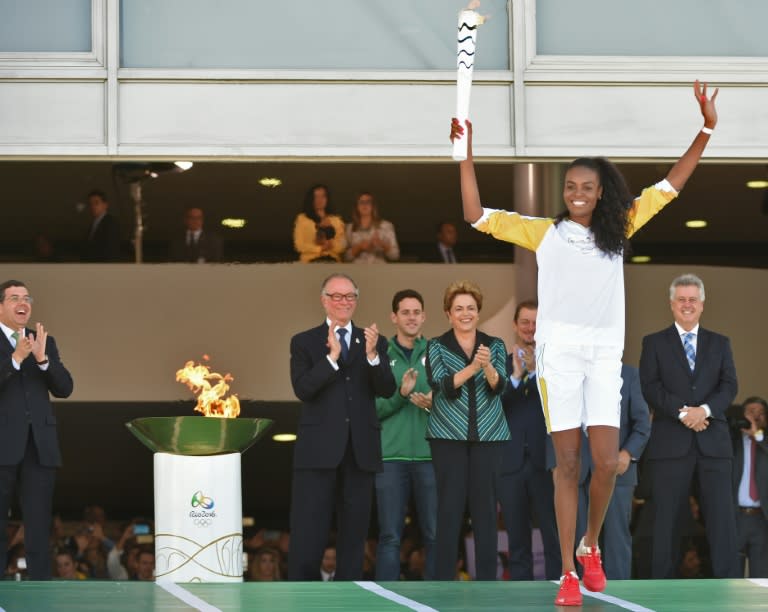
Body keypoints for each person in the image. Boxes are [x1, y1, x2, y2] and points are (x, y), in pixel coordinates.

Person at [450, 80, 718, 605]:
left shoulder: (620, 226)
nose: (577, 193)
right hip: (559, 357)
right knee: (567, 465)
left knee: (608, 463)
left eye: (587, 187)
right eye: (571, 185)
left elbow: (672, 184)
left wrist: (707, 127)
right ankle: (569, 570)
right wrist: (467, 155)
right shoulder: (543, 232)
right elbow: (475, 215)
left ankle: (592, 544)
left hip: (603, 357)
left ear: (601, 192)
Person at [288, 273, 395, 580]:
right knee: (309, 528)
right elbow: (303, 389)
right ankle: (302, 596)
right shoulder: (304, 342)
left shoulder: (374, 341)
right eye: (336, 296)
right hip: (318, 451)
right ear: (324, 300)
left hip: (360, 450)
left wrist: (373, 357)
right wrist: (332, 358)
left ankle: (350, 594)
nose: (343, 302)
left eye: (349, 296)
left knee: (355, 531)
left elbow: (386, 388)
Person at [639, 273, 739, 579]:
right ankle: (660, 592)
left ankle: (728, 587)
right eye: (681, 299)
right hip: (670, 443)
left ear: (702, 304)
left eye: (692, 300)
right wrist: (684, 414)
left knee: (722, 521)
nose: (687, 305)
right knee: (666, 521)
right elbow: (650, 387)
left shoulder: (720, 343)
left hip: (714, 445)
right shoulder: (653, 342)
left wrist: (704, 410)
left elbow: (729, 385)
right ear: (671, 304)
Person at [426, 280, 509, 580]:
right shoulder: (436, 345)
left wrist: (486, 367)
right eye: (458, 308)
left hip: (489, 437)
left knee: (486, 510)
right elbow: (443, 386)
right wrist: (474, 367)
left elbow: (500, 387)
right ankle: (444, 579)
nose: (465, 313)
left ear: (478, 312)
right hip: (447, 437)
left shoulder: (495, 345)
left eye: (470, 308)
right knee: (449, 509)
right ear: (448, 314)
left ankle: (487, 580)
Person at [0, 279, 74, 580]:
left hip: (40, 446)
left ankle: (40, 587)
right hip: (2, 444)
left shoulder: (44, 340)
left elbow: (65, 388)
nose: (23, 303)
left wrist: (42, 359)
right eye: (15, 297)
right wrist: (16, 358)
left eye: (27, 298)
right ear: (1, 306)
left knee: (39, 522)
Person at [496, 299, 561, 581]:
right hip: (509, 464)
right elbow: (494, 403)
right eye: (525, 322)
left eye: (535, 323)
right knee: (516, 537)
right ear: (515, 325)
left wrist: (535, 373)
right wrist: (516, 376)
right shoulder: (501, 361)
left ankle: (558, 590)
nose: (530, 328)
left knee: (552, 534)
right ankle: (520, 596)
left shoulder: (554, 364)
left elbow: (555, 404)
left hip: (544, 462)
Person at [374, 289, 436, 580]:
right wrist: (401, 395)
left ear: (423, 317)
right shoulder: (380, 355)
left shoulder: (437, 353)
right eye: (405, 312)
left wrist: (436, 404)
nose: (411, 317)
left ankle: (440, 599)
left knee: (435, 533)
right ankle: (387, 599)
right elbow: (371, 408)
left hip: (430, 456)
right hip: (390, 457)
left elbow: (453, 399)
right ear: (394, 317)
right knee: (390, 537)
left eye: (416, 312)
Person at [574, 364, 650, 580]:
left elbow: (643, 423)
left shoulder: (629, 374)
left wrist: (627, 453)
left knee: (617, 539)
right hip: (580, 472)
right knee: (581, 540)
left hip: (618, 471)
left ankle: (620, 596)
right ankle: (584, 593)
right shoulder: (572, 372)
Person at [732, 396, 768, 577]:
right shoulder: (732, 443)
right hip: (735, 517)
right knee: (731, 576)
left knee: (761, 576)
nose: (756, 417)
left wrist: (758, 436)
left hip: (761, 518)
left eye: (761, 414)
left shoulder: (764, 443)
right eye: (751, 412)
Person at [293, 184, 347, 262]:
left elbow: (342, 246)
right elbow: (299, 245)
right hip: (309, 263)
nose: (319, 200)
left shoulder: (337, 221)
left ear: (327, 199)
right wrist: (320, 248)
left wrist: (331, 245)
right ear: (311, 199)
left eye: (323, 196)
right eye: (316, 196)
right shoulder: (302, 219)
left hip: (332, 263)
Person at [344, 192, 400, 263]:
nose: (365, 205)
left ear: (373, 205)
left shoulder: (386, 226)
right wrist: (359, 247)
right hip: (356, 271)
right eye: (361, 202)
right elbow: (345, 258)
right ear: (356, 206)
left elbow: (395, 256)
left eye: (368, 202)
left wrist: (382, 244)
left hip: (379, 271)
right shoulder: (349, 228)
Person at [82, 189, 121, 262]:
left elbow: (111, 249)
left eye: (96, 203)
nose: (93, 206)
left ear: (105, 205)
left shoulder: (111, 223)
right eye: (90, 204)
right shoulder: (93, 225)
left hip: (104, 267)